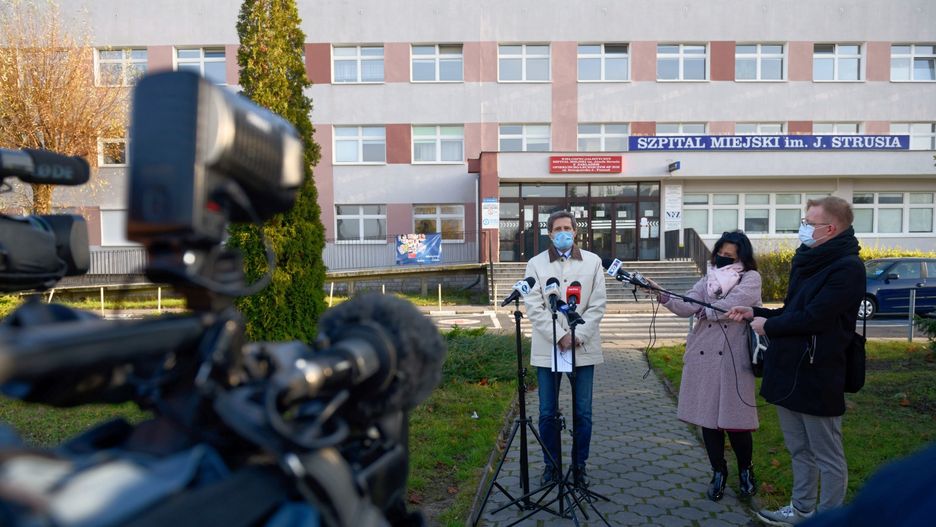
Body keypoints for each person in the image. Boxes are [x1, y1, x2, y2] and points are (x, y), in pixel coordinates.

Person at [727, 196, 865, 526]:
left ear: (830, 228)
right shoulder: (808, 260)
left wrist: (770, 326)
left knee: (827, 454)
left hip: (819, 372)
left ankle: (829, 518)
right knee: (799, 449)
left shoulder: (847, 268)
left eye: (809, 223)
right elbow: (793, 312)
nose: (803, 228)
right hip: (789, 369)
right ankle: (802, 510)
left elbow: (816, 318)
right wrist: (756, 313)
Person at [646, 230, 762, 502]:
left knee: (737, 422)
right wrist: (660, 293)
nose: (723, 259)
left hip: (735, 357)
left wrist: (705, 309)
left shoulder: (751, 278)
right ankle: (718, 471)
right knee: (708, 420)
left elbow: (732, 305)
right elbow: (687, 305)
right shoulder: (708, 278)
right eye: (720, 254)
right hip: (704, 356)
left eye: (729, 256)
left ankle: (746, 470)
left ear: (742, 257)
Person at [523, 210, 607, 488]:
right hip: (549, 348)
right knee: (547, 412)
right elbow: (533, 306)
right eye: (557, 228)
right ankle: (552, 466)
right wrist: (560, 336)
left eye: (567, 228)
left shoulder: (593, 262)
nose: (563, 232)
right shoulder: (536, 263)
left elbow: (597, 304)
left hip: (582, 346)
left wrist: (578, 334)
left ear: (575, 232)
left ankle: (579, 465)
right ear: (549, 234)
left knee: (583, 412)